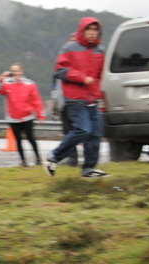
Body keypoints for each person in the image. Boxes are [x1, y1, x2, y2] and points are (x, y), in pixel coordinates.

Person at [44, 17, 108, 178]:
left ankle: (89, 169)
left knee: (95, 134)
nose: (92, 33)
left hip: (92, 98)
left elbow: (99, 76)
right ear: (82, 30)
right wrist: (81, 77)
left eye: (95, 30)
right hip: (74, 97)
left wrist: (99, 94)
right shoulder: (69, 47)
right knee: (83, 129)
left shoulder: (100, 50)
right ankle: (53, 157)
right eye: (89, 29)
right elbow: (59, 70)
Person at [0, 63, 45, 166]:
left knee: (31, 138)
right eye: (13, 71)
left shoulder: (30, 84)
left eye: (17, 71)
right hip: (13, 118)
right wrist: (1, 77)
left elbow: (36, 100)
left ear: (22, 71)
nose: (16, 73)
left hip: (27, 116)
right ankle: (23, 161)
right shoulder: (6, 83)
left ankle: (38, 159)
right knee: (18, 140)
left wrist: (40, 114)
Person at [51, 32, 81, 167]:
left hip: (78, 101)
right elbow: (54, 85)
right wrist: (56, 104)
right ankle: (72, 158)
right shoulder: (61, 63)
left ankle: (90, 158)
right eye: (70, 41)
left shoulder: (81, 61)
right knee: (67, 131)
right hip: (63, 103)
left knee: (82, 130)